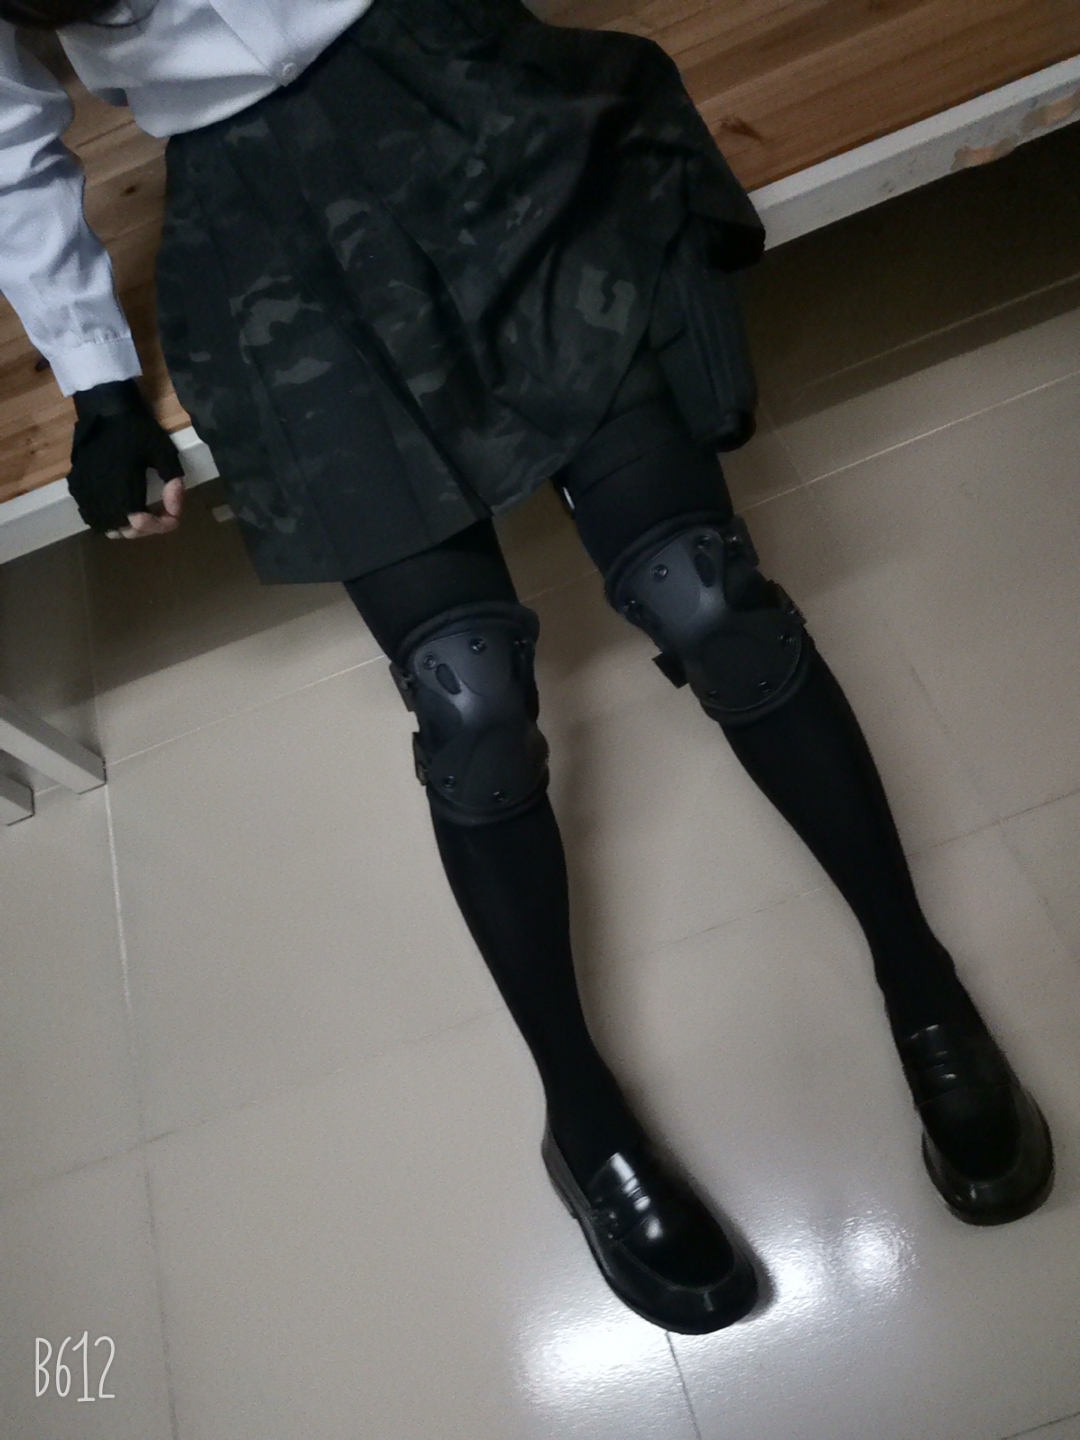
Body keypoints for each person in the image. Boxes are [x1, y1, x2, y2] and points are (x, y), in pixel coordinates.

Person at [0, 0, 1054, 1336]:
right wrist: (97, 382)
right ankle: (581, 1113)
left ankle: (920, 980)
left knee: (706, 595)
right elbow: (6, 142)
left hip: (454, 83)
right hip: (257, 216)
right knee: (470, 700)